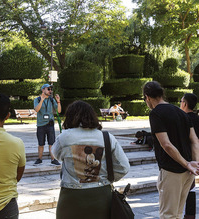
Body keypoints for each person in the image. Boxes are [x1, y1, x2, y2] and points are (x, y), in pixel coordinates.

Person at [52, 100, 130, 219]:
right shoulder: (107, 137)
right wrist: (108, 178)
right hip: (101, 196)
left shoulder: (64, 137)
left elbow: (56, 155)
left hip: (71, 197)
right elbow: (124, 167)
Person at [143, 81, 199, 219]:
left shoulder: (156, 114)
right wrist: (194, 164)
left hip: (172, 170)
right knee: (178, 213)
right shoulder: (181, 113)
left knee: (168, 215)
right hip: (188, 171)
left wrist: (187, 164)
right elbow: (195, 141)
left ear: (147, 97)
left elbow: (166, 144)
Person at [180, 93, 199, 219]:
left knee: (188, 189)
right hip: (196, 158)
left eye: (181, 101)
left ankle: (189, 215)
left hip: (186, 159)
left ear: (185, 104)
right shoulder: (197, 118)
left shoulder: (182, 119)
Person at [33, 84, 61, 165]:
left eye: (51, 89)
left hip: (50, 124)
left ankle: (53, 159)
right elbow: (37, 110)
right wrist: (42, 100)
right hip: (41, 125)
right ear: (43, 90)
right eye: (48, 89)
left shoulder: (52, 100)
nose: (50, 91)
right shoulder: (37, 100)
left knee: (51, 143)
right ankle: (39, 159)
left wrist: (58, 101)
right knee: (41, 143)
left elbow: (59, 111)